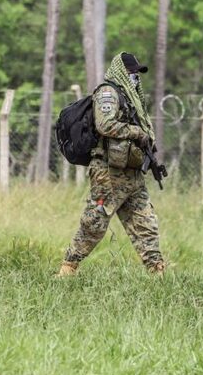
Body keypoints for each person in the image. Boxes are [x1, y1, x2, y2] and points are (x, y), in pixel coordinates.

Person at [57, 52, 166, 276]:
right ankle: (68, 267)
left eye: (137, 72)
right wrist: (137, 132)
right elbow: (105, 125)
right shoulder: (109, 93)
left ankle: (157, 271)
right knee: (95, 221)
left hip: (131, 172)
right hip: (109, 171)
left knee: (145, 221)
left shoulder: (131, 97)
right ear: (121, 71)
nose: (136, 76)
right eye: (132, 72)